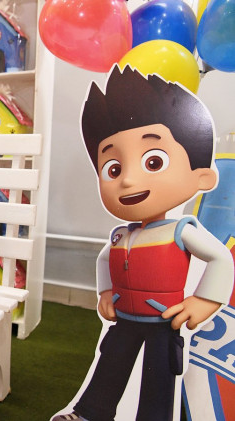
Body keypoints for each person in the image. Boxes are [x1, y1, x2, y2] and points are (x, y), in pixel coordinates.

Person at [53, 66, 234, 421]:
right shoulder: (121, 235)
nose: (127, 180)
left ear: (201, 176)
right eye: (113, 168)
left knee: (159, 378)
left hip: (164, 320)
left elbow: (219, 258)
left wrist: (204, 300)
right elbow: (105, 260)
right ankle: (89, 413)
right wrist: (106, 292)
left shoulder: (182, 230)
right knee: (110, 364)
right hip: (124, 317)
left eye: (153, 161)